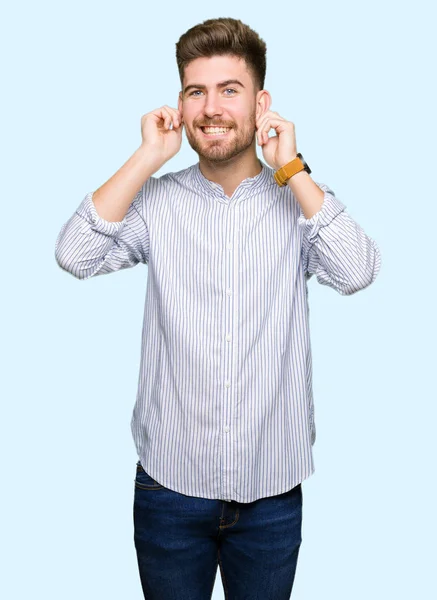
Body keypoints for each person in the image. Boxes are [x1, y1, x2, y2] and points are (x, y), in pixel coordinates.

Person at [54, 16, 381, 600]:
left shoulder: (297, 200)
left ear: (262, 103)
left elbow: (358, 272)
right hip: (169, 489)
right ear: (180, 104)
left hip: (271, 494)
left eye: (229, 90)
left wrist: (293, 167)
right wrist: (149, 154)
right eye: (195, 91)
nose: (212, 108)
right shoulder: (155, 202)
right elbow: (74, 254)